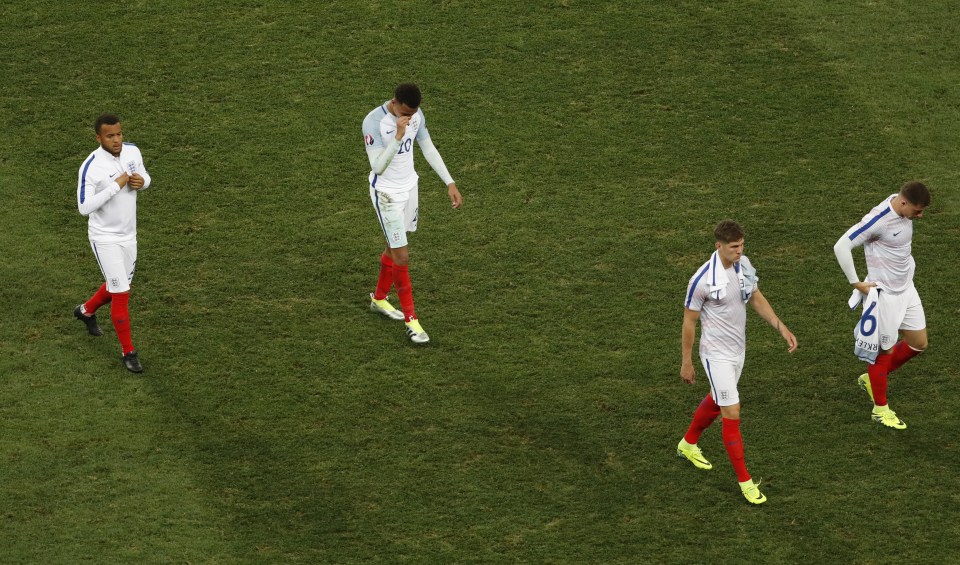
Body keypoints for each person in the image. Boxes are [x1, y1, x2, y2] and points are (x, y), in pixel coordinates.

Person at [677, 220, 798, 505]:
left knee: (719, 400)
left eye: (742, 246)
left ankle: (687, 443)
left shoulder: (743, 265)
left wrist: (781, 327)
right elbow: (688, 322)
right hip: (715, 354)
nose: (739, 252)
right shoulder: (702, 280)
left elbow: (755, 298)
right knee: (731, 411)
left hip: (737, 352)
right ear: (718, 246)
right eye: (734, 247)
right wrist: (687, 362)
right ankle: (745, 481)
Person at [361, 83, 462, 344]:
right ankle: (412, 322)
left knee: (392, 246)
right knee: (402, 256)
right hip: (386, 195)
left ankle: (379, 299)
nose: (410, 117)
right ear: (394, 103)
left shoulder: (416, 115)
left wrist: (449, 182)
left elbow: (427, 147)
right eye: (406, 112)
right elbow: (378, 167)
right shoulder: (373, 122)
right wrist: (397, 136)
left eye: (414, 113)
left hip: (410, 188)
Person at [833, 181, 930, 430]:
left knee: (918, 343)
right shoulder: (878, 220)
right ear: (904, 202)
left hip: (907, 289)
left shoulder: (900, 205)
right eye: (917, 211)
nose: (920, 216)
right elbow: (841, 245)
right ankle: (880, 409)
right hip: (885, 295)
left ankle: (872, 379)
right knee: (883, 352)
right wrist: (856, 282)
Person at [73, 114, 152, 373]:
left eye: (118, 134)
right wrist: (115, 187)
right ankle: (128, 352)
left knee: (119, 284)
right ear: (99, 138)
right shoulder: (91, 166)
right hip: (104, 238)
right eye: (110, 136)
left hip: (129, 236)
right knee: (121, 293)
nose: (116, 140)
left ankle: (85, 311)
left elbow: (144, 176)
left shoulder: (132, 151)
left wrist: (143, 182)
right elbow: (84, 207)